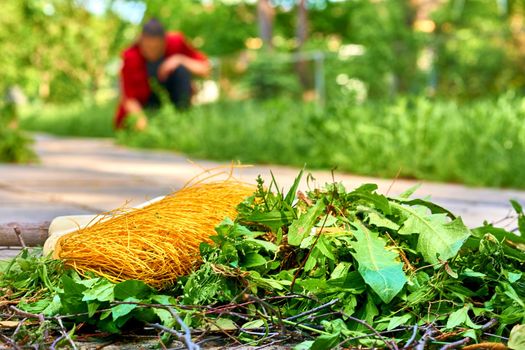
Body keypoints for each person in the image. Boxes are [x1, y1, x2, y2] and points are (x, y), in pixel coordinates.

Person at [115, 19, 210, 130]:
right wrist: (143, 125)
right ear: (141, 41)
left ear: (165, 41)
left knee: (181, 70)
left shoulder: (176, 42)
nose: (152, 52)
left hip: (169, 98)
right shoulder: (130, 56)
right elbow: (129, 99)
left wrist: (179, 59)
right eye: (148, 47)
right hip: (144, 104)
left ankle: (181, 120)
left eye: (156, 48)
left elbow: (205, 69)